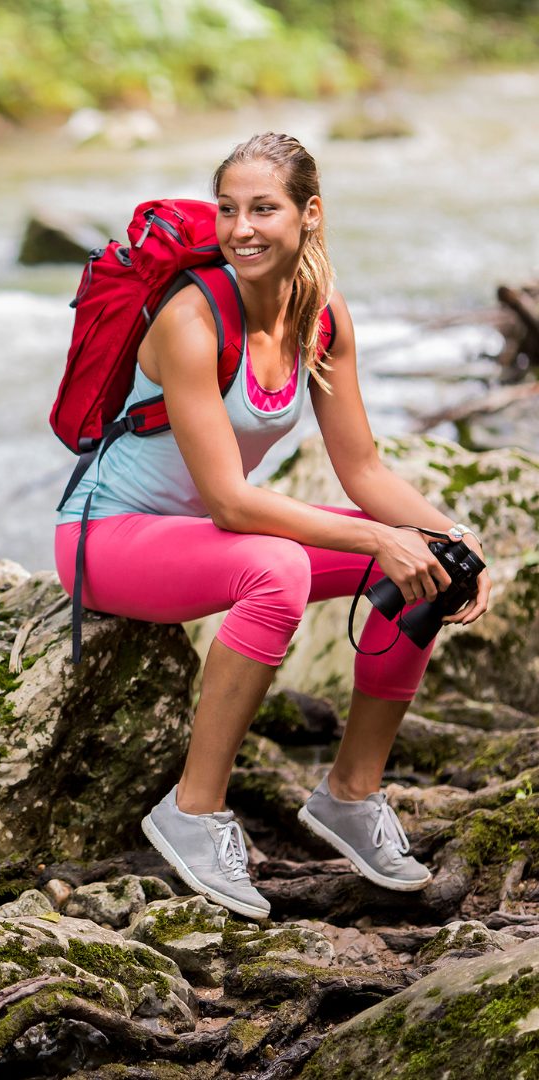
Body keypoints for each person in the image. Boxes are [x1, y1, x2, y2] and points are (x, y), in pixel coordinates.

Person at [53, 132, 491, 920]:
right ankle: (191, 812)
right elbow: (231, 503)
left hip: (208, 540)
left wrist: (451, 539)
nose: (241, 228)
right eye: (227, 210)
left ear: (308, 215)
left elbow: (362, 471)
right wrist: (376, 538)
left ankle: (351, 796)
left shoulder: (321, 318)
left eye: (264, 209)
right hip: (108, 538)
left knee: (430, 562)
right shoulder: (191, 320)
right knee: (280, 570)